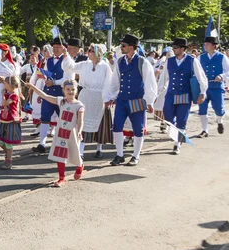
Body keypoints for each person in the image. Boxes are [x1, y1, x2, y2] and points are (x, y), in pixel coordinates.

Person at [103, 34, 157, 166]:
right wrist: (110, 97)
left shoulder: (142, 62)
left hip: (137, 99)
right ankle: (120, 155)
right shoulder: (120, 61)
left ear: (131, 47)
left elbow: (150, 82)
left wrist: (149, 101)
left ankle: (136, 156)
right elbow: (115, 82)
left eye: (123, 46)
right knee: (117, 127)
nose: (121, 48)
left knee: (138, 128)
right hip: (122, 99)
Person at [29, 79, 84, 188]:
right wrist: (32, 86)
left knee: (75, 153)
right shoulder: (61, 101)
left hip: (72, 133)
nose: (70, 91)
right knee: (60, 155)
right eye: (68, 89)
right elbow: (45, 96)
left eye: (73, 89)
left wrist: (80, 131)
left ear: (76, 91)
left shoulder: (79, 105)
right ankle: (61, 178)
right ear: (63, 90)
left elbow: (80, 121)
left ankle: (80, 166)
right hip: (60, 133)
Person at [61, 43, 113, 158]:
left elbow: (109, 83)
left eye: (91, 50)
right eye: (88, 50)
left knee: (100, 123)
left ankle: (99, 148)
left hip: (100, 97)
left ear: (97, 53)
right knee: (82, 122)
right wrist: (66, 55)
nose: (88, 52)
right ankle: (80, 150)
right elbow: (71, 67)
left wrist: (107, 98)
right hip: (85, 96)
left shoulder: (105, 66)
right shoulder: (85, 64)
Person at [157, 38, 207, 154]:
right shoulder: (169, 61)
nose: (174, 49)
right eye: (173, 47)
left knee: (182, 120)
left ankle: (177, 143)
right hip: (171, 94)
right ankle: (176, 131)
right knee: (168, 117)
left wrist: (203, 92)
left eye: (176, 47)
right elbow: (163, 80)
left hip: (185, 94)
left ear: (183, 49)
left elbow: (201, 77)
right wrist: (156, 94)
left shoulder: (192, 61)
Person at [32, 37, 74, 154]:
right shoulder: (48, 61)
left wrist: (54, 82)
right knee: (44, 118)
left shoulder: (67, 61)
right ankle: (42, 144)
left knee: (64, 118)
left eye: (58, 47)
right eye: (54, 47)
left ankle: (66, 143)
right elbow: (45, 77)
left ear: (63, 48)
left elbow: (68, 78)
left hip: (61, 94)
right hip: (48, 92)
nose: (55, 49)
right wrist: (41, 92)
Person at [197, 36, 229, 136]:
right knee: (202, 108)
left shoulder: (222, 57)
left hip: (217, 87)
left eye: (207, 44)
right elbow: (195, 71)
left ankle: (220, 121)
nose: (205, 46)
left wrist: (221, 76)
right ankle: (205, 130)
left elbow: (228, 71)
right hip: (203, 87)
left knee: (218, 108)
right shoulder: (200, 57)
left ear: (213, 46)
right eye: (205, 44)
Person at [0, 76, 21, 170]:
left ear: (10, 85)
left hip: (10, 121)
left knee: (8, 142)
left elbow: (5, 104)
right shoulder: (8, 94)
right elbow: (3, 107)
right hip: (3, 120)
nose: (4, 85)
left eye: (5, 83)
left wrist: (3, 95)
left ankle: (9, 161)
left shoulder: (14, 96)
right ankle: (8, 153)